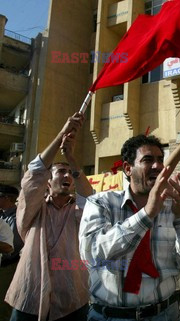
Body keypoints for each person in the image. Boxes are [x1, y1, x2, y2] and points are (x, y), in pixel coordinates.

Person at [79, 127, 180, 321]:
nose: (157, 166)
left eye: (160, 160)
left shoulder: (174, 208)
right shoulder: (101, 203)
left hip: (165, 314)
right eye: (148, 160)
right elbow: (91, 254)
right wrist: (146, 215)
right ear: (128, 168)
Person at [5, 112, 92, 321]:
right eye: (60, 171)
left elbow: (91, 200)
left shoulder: (80, 212)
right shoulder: (32, 210)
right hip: (29, 298)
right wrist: (62, 132)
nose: (67, 175)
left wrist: (71, 158)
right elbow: (34, 172)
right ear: (47, 182)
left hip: (72, 301)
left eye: (70, 173)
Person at [0, 184, 22, 265]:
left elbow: (12, 248)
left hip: (7, 265)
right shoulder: (2, 215)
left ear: (7, 198)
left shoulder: (15, 218)